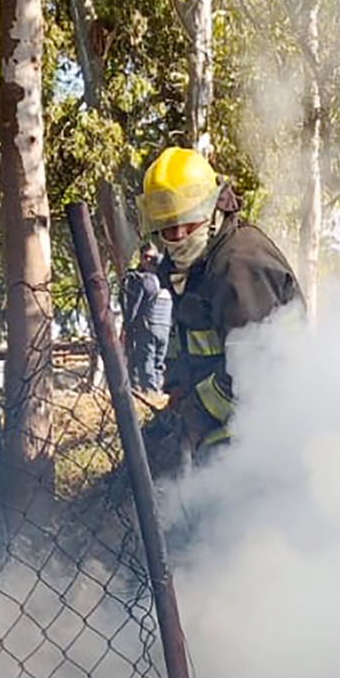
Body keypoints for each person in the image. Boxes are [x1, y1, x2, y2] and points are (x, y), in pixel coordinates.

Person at [134, 146, 301, 471]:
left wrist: (193, 417)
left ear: (213, 210)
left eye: (188, 222)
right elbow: (187, 343)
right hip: (225, 425)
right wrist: (177, 392)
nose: (178, 236)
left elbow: (254, 374)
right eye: (168, 226)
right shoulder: (191, 267)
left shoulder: (239, 264)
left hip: (266, 431)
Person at [119, 242, 172, 394]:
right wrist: (128, 326)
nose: (149, 261)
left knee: (154, 361)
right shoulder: (141, 279)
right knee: (149, 360)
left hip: (160, 326)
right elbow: (132, 307)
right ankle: (151, 391)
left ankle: (153, 391)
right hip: (152, 326)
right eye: (146, 257)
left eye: (151, 258)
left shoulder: (159, 277)